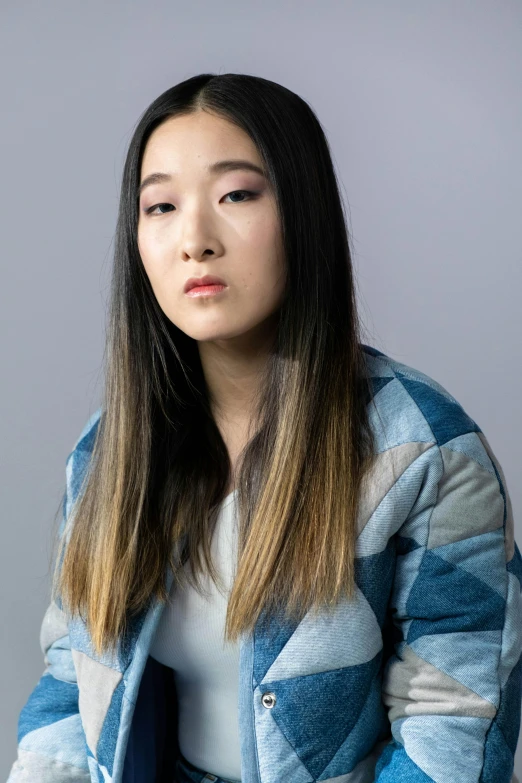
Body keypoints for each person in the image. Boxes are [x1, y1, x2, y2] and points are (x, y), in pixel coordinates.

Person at [7, 72, 522, 783]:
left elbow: (455, 728)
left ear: (302, 211)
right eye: (160, 205)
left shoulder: (425, 449)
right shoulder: (106, 453)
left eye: (237, 194)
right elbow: (72, 685)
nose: (195, 239)